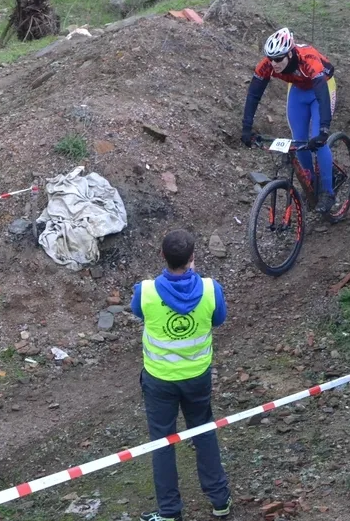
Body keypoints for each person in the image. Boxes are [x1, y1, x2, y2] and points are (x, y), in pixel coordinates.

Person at [130, 230, 232, 521]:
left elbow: (138, 312)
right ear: (192, 258)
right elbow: (219, 319)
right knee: (203, 432)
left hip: (159, 380)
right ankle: (220, 500)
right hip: (197, 377)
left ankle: (170, 512)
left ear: (162, 256)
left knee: (162, 443)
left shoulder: (146, 292)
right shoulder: (211, 289)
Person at [241, 27, 338, 213]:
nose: (274, 63)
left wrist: (324, 129)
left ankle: (328, 192)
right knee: (299, 140)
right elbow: (253, 94)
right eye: (271, 58)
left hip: (322, 88)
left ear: (290, 53)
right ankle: (311, 182)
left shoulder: (308, 59)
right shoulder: (268, 64)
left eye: (278, 59)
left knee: (317, 138)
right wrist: (246, 127)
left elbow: (322, 97)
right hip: (298, 91)